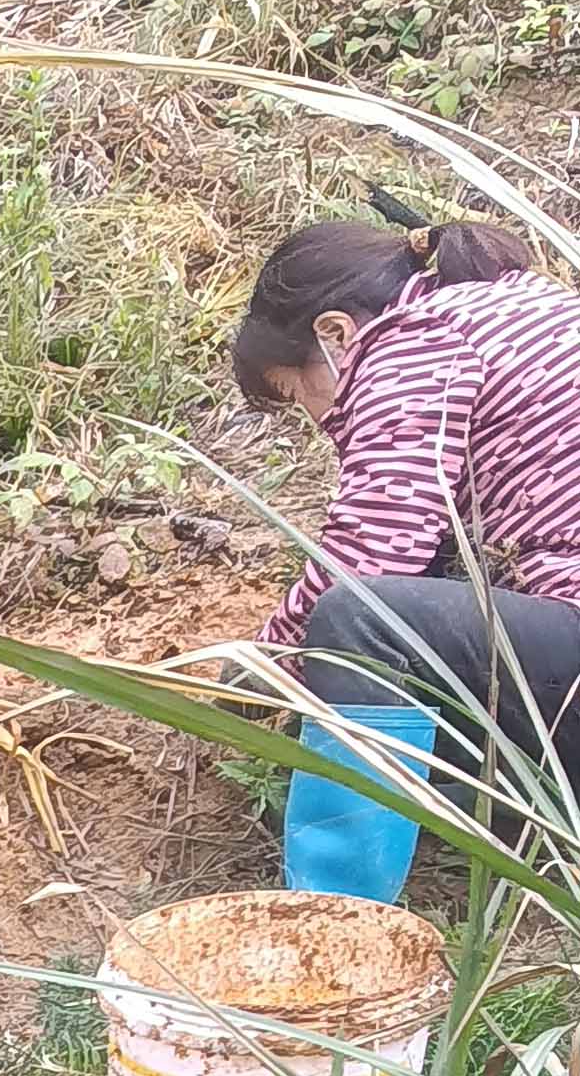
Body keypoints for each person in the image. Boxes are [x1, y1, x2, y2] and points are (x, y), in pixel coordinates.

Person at [232, 215, 580, 897]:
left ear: (334, 335)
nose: (317, 417)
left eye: (300, 392)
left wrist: (259, 668)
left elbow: (375, 547)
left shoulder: (415, 342)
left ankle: (336, 915)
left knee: (359, 621)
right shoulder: (523, 304)